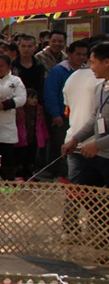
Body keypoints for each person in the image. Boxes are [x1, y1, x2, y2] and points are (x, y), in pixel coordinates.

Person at [62, 41, 109, 249]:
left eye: (93, 62)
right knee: (81, 189)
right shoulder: (100, 86)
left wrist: (97, 144)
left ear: (106, 62)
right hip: (98, 153)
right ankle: (104, 229)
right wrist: (76, 139)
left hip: (103, 152)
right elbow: (94, 118)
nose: (90, 67)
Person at [44, 39, 89, 180]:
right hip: (61, 115)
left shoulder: (87, 71)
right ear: (69, 54)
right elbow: (50, 93)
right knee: (60, 144)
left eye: (84, 54)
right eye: (78, 54)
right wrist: (55, 114)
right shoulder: (58, 70)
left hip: (79, 115)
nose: (81, 57)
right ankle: (58, 173)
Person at [15, 89, 49, 179]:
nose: (35, 100)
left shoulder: (39, 109)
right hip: (21, 138)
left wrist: (45, 136)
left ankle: (29, 174)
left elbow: (42, 124)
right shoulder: (19, 110)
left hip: (34, 138)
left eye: (36, 98)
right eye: (31, 98)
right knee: (20, 157)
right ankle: (19, 175)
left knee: (31, 157)